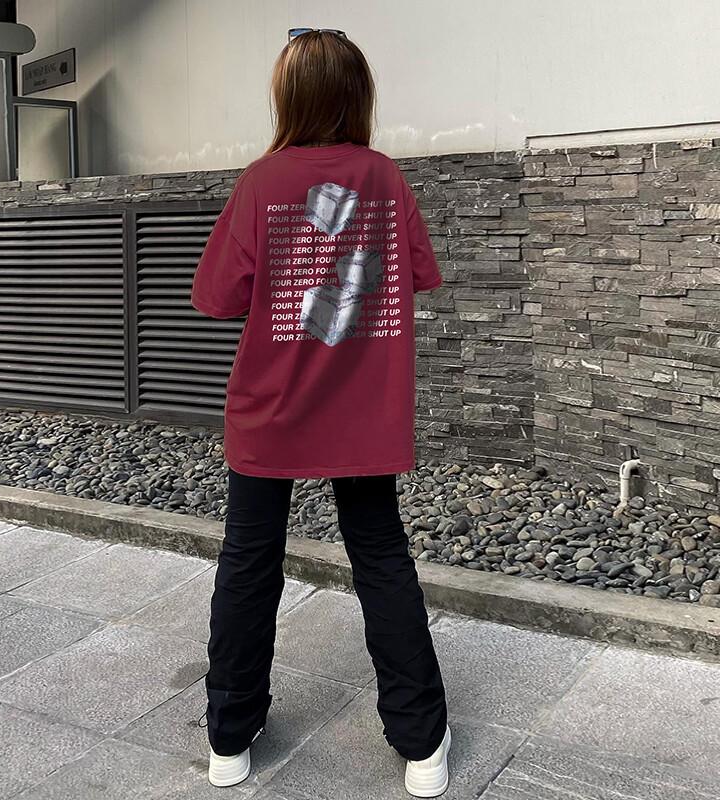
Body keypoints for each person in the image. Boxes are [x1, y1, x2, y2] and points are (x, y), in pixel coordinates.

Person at [190, 27, 450, 798]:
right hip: (364, 413)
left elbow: (216, 297)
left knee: (249, 561)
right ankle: (422, 744)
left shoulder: (261, 182)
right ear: (357, 95)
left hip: (270, 410)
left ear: (288, 97)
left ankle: (229, 738)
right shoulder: (384, 178)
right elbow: (417, 274)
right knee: (381, 557)